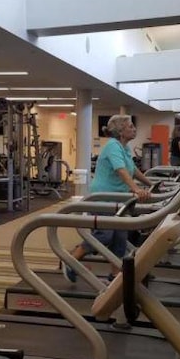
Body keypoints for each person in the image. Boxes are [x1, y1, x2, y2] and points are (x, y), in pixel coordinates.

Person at [64, 115, 153, 282]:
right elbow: (121, 170)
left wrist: (152, 183)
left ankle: (114, 274)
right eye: (131, 126)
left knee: (120, 237)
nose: (134, 129)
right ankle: (71, 260)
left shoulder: (125, 147)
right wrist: (136, 189)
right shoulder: (112, 146)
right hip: (103, 198)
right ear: (121, 131)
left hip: (118, 198)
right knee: (105, 235)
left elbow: (132, 170)